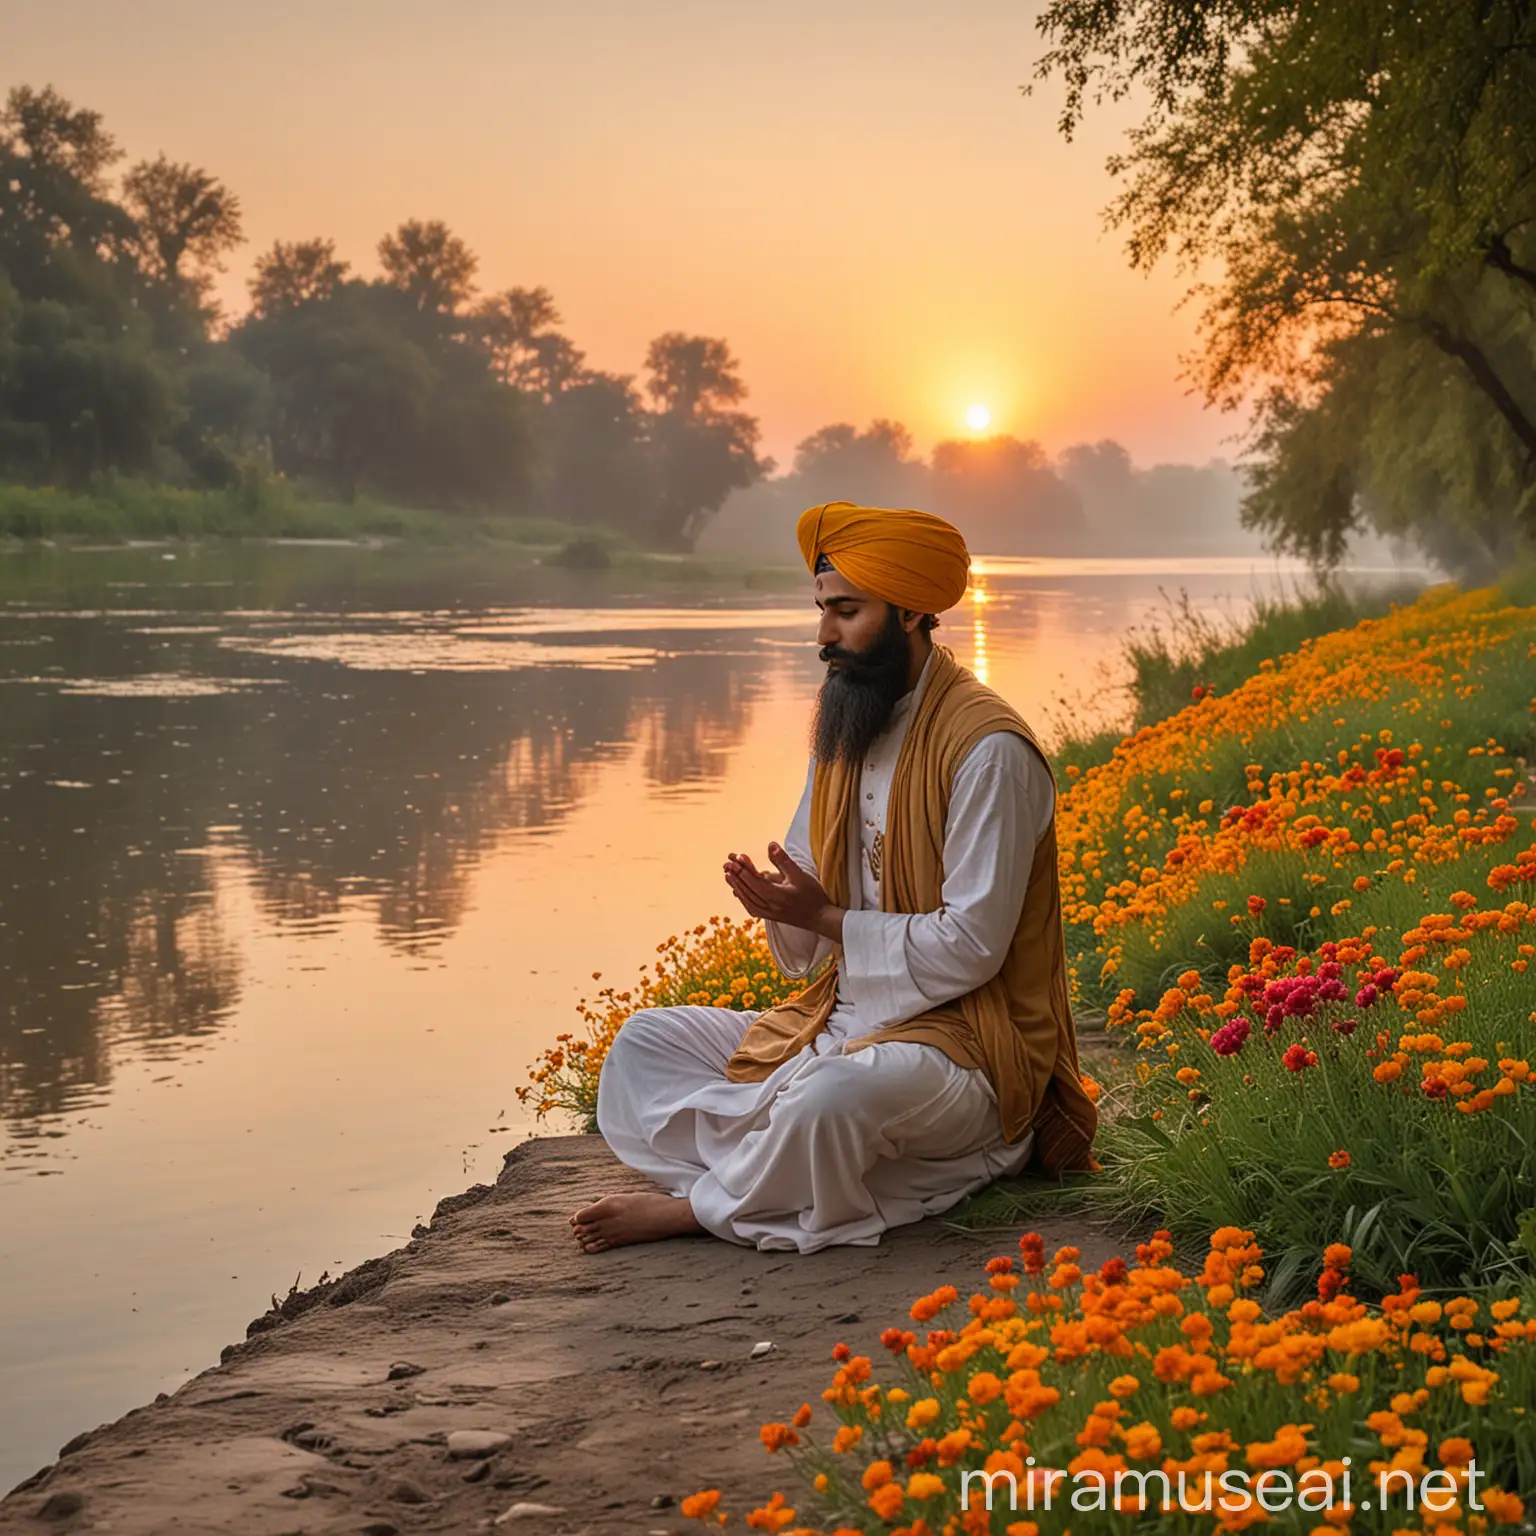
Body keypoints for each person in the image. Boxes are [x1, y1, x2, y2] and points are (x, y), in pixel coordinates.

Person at [570, 501, 1096, 1254]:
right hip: (840, 1021)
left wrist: (825, 920)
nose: (823, 636)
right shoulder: (851, 717)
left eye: (845, 613)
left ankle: (704, 1208)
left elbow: (972, 948)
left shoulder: (990, 752)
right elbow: (810, 880)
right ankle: (789, 1173)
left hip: (969, 1050)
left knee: (830, 1102)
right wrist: (781, 902)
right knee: (642, 1045)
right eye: (822, 611)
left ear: (913, 610)